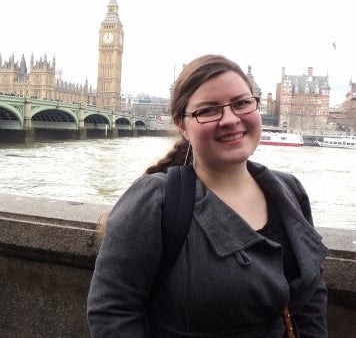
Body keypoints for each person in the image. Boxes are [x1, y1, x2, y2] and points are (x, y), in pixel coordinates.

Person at [87, 54, 328, 337]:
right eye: (209, 110)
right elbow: (112, 312)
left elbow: (311, 300)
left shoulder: (290, 191)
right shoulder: (156, 201)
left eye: (241, 103)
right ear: (181, 124)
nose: (230, 119)